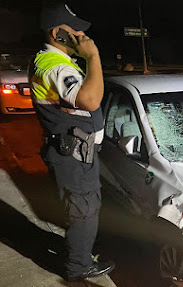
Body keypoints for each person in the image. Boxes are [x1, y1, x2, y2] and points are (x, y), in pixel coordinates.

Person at [28, 3, 114, 282]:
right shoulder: (53, 65)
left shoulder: (57, 62)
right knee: (83, 211)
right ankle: (78, 268)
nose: (81, 34)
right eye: (74, 29)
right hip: (72, 155)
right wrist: (94, 57)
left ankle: (80, 252)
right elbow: (89, 100)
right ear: (57, 33)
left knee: (83, 208)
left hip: (76, 152)